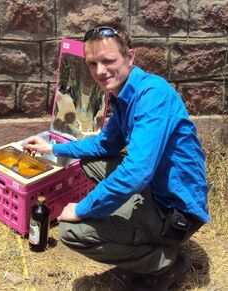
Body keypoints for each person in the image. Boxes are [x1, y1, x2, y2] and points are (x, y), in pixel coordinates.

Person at [24, 23, 210, 291]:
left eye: (108, 61)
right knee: (91, 163)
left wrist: (83, 208)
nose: (100, 71)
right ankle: (134, 226)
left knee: (71, 232)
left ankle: (164, 262)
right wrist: (53, 148)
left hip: (176, 211)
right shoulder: (125, 95)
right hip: (156, 190)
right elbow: (104, 144)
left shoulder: (152, 96)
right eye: (92, 63)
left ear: (130, 57)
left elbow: (136, 172)